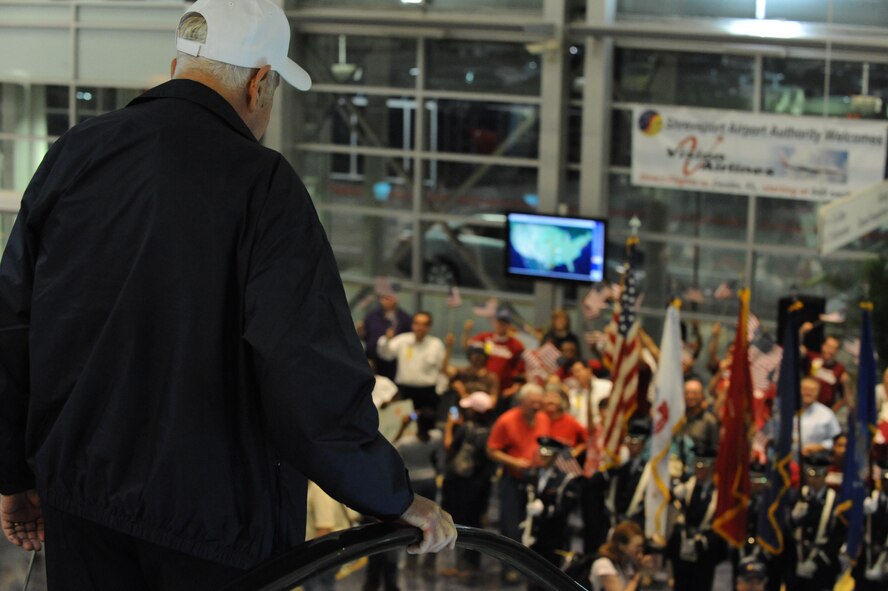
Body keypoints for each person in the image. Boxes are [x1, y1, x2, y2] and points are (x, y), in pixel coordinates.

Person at [0, 1, 456, 587]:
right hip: (214, 530)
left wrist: (14, 473)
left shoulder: (74, 153)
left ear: (177, 64)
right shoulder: (263, 186)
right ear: (260, 82)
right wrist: (390, 495)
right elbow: (307, 372)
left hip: (79, 510)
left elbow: (12, 327)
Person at [486, 382, 550, 583]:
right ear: (522, 401)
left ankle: (530, 569)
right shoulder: (507, 420)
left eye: (539, 403)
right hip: (513, 479)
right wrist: (514, 462)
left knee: (533, 526)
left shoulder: (543, 419)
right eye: (533, 403)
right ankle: (509, 568)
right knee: (511, 526)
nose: (537, 407)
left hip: (536, 479)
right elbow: (491, 450)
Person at [440, 391, 496, 581]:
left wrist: (449, 426)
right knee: (475, 526)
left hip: (463, 485)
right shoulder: (491, 429)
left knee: (461, 526)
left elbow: (449, 446)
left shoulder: (468, 427)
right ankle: (470, 566)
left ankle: (462, 567)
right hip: (482, 486)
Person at [666, 446, 724, 591]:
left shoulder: (719, 493)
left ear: (712, 467)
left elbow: (721, 523)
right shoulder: (687, 486)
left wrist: (705, 540)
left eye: (703, 466)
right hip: (683, 547)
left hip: (704, 551)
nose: (699, 470)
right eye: (697, 465)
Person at [786, 452, 845, 591]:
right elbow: (786, 531)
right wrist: (793, 519)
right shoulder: (796, 496)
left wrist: (818, 560)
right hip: (796, 566)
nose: (813, 480)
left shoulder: (836, 501)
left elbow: (837, 536)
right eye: (810, 475)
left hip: (822, 569)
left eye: (818, 475)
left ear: (825, 475)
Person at [377, 311, 447, 414]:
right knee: (402, 426)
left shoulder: (436, 344)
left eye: (424, 324)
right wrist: (387, 339)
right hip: (405, 391)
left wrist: (440, 391)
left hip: (427, 393)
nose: (420, 328)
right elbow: (386, 354)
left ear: (429, 327)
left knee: (425, 425)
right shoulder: (402, 340)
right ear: (412, 325)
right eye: (417, 323)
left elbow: (442, 370)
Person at [464, 306, 526, 411]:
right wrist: (467, 331)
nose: (501, 325)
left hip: (503, 392)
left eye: (505, 322)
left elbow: (521, 371)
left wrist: (513, 389)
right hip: (482, 388)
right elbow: (468, 347)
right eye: (499, 322)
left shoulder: (516, 345)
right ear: (494, 322)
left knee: (498, 418)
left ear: (509, 325)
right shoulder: (485, 338)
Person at [358, 289, 412, 381]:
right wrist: (360, 331)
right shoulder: (372, 315)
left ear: (396, 299)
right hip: (372, 359)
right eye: (383, 298)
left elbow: (409, 339)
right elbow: (365, 337)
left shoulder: (404, 318)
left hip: (392, 363)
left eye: (388, 298)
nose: (385, 301)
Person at [588, 520, 653, 591]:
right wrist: (636, 576)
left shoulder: (627, 564)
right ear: (621, 545)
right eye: (637, 548)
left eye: (641, 548)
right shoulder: (604, 565)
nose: (640, 553)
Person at [795, 376, 842, 458]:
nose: (808, 393)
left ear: (818, 392)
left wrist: (820, 447)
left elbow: (836, 440)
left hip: (816, 462)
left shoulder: (826, 414)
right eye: (805, 389)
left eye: (812, 390)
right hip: (788, 462)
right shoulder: (787, 411)